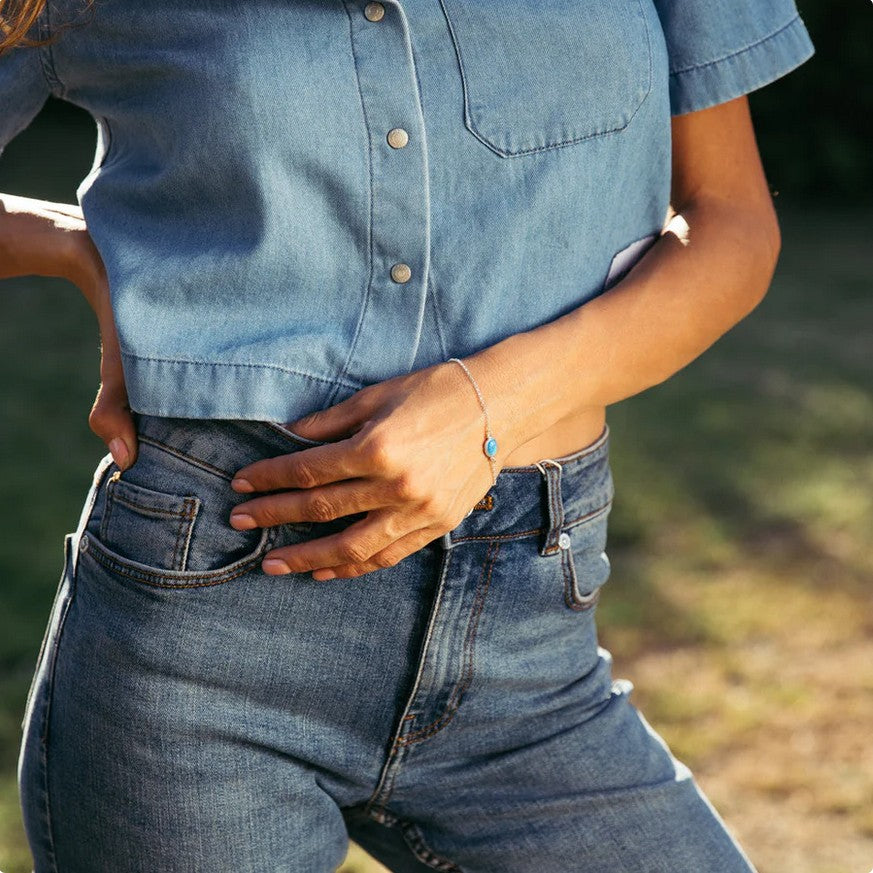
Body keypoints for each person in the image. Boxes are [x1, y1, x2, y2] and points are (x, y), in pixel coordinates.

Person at [2, 1, 815, 870]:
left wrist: (485, 405)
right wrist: (84, 251)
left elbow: (730, 224)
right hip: (202, 633)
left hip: (532, 638)